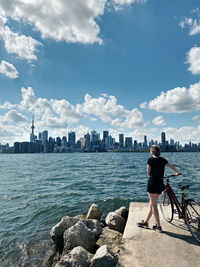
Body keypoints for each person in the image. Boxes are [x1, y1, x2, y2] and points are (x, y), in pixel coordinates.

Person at [137, 145, 181, 232]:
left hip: (152, 184)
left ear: (152, 152)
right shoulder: (162, 160)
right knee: (152, 204)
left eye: (150, 150)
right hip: (160, 185)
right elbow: (171, 166)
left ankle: (158, 226)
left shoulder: (150, 160)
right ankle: (146, 222)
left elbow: (148, 173)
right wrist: (177, 172)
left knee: (154, 206)